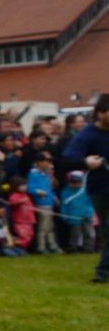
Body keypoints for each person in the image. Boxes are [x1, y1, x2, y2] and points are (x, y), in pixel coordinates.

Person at [59, 93, 109, 282]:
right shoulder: (88, 134)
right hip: (101, 188)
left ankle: (103, 273)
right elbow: (66, 161)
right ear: (101, 114)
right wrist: (85, 161)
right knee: (107, 229)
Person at [60, 170, 95, 253]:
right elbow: (64, 205)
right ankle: (73, 248)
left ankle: (89, 248)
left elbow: (90, 203)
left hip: (86, 216)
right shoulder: (65, 191)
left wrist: (88, 213)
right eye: (73, 182)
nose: (75, 184)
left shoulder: (86, 190)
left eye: (77, 182)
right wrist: (64, 216)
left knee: (88, 233)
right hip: (73, 216)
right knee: (74, 233)